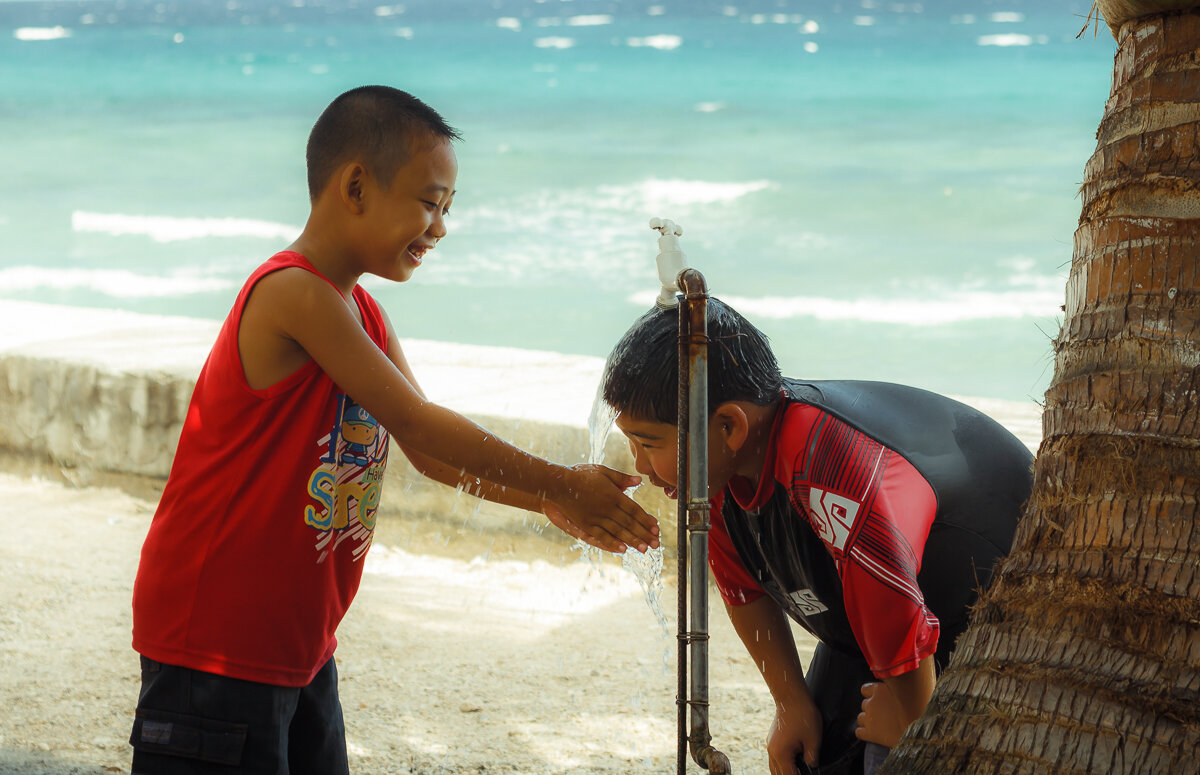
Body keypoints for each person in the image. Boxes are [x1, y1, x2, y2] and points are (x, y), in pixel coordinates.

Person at [128, 86, 659, 774]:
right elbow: (420, 423)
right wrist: (562, 482)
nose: (440, 227)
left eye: (447, 209)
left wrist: (549, 502)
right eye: (430, 202)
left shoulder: (362, 313)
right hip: (215, 642)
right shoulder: (294, 293)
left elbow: (426, 452)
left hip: (299, 645)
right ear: (354, 185)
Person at [601, 298, 1032, 775]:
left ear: (729, 426)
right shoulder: (717, 471)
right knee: (808, 755)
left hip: (984, 607)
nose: (639, 465)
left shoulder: (831, 468)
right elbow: (744, 591)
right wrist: (790, 701)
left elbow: (895, 611)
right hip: (870, 625)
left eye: (647, 444)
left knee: (888, 758)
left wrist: (915, 726)